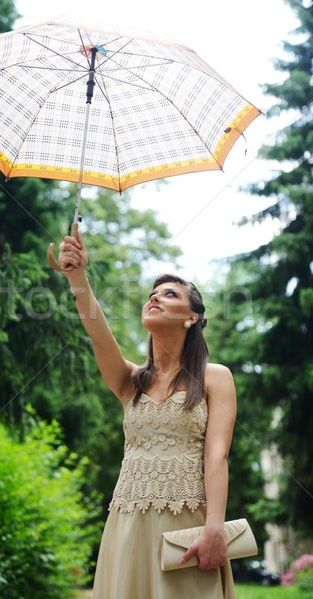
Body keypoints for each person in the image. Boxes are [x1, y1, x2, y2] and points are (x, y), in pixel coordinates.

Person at [57, 232, 237, 599]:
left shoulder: (215, 376)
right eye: (153, 293)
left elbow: (216, 456)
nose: (155, 297)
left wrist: (215, 528)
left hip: (187, 526)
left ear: (191, 318)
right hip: (127, 523)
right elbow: (99, 336)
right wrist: (77, 277)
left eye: (170, 294)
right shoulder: (130, 382)